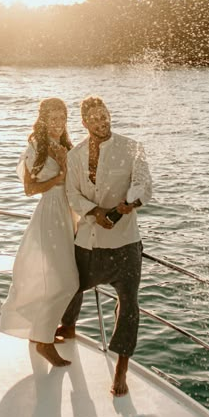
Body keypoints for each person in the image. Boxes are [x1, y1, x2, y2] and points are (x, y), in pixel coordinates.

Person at [56, 95, 152, 395]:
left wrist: (130, 202)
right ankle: (68, 325)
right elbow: (72, 194)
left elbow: (144, 183)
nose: (103, 121)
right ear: (85, 123)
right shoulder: (75, 156)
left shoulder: (132, 148)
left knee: (129, 307)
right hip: (88, 241)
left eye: (105, 115)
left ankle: (121, 369)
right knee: (69, 284)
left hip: (125, 243)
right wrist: (96, 213)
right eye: (96, 118)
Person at [0, 97, 79, 366]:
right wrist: (59, 176)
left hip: (68, 212)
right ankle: (43, 342)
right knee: (68, 280)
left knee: (59, 278)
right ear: (43, 120)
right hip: (51, 212)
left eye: (62, 119)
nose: (58, 124)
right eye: (53, 119)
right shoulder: (36, 147)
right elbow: (29, 189)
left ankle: (40, 333)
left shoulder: (66, 145)